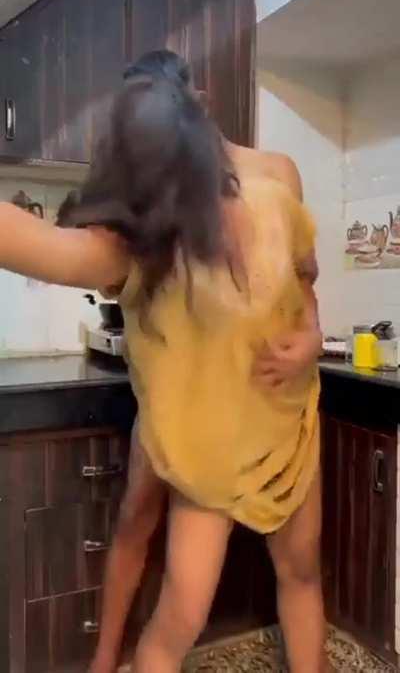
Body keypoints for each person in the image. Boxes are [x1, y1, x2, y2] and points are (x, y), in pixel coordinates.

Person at [0, 59, 324, 673]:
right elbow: (47, 248)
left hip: (284, 422)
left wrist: (310, 338)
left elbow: (304, 284)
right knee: (172, 598)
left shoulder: (275, 183)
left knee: (302, 573)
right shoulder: (141, 233)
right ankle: (104, 661)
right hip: (195, 436)